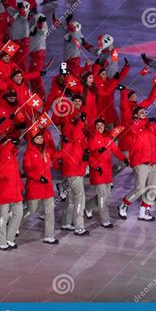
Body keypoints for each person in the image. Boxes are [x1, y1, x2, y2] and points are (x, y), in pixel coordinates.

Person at [117, 106, 156, 221]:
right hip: (140, 162)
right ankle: (124, 204)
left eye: (144, 111)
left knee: (154, 188)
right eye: (141, 112)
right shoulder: (133, 126)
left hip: (151, 163)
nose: (144, 113)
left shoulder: (150, 127)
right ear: (135, 115)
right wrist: (142, 120)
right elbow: (134, 126)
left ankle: (144, 211)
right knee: (140, 189)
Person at [57, 94, 90, 236]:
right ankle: (79, 226)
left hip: (77, 165)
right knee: (79, 197)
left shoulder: (80, 120)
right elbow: (75, 135)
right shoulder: (70, 120)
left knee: (71, 198)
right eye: (75, 101)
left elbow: (82, 139)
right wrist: (81, 123)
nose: (77, 103)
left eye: (79, 101)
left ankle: (65, 222)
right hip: (73, 167)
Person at [88, 118, 128, 227]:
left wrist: (123, 158)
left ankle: (87, 207)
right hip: (98, 172)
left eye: (101, 125)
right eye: (98, 125)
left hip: (107, 172)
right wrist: (96, 166)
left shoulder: (107, 138)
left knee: (106, 194)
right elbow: (90, 156)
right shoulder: (93, 139)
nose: (100, 127)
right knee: (102, 196)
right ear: (95, 126)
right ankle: (105, 219)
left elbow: (115, 150)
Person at [22, 129, 60, 244]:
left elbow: (59, 154)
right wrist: (38, 177)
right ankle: (15, 225)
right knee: (32, 210)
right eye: (38, 138)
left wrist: (68, 143)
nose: (40, 140)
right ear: (33, 140)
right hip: (35, 186)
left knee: (50, 211)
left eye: (41, 138)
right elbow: (27, 170)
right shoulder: (29, 153)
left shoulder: (47, 151)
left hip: (47, 187)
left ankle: (49, 236)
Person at [0, 136, 24, 250]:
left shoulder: (12, 155)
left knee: (18, 213)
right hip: (3, 191)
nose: (11, 142)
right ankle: (1, 241)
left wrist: (20, 187)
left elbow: (16, 174)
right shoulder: (1, 154)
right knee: (3, 217)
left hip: (14, 190)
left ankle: (9, 238)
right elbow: (1, 152)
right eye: (8, 141)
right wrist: (9, 144)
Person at [6, 1, 31, 71]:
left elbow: (24, 14)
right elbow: (8, 8)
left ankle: (23, 81)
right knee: (5, 57)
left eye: (21, 7)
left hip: (22, 43)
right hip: (13, 42)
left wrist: (21, 10)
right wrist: (4, 1)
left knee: (21, 63)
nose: (19, 8)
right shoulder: (15, 13)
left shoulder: (26, 14)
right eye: (19, 7)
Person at [28, 14, 48, 98]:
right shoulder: (32, 27)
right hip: (34, 54)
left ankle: (42, 95)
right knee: (32, 75)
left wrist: (40, 23)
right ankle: (36, 94)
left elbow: (41, 29)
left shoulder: (41, 30)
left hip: (38, 54)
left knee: (36, 75)